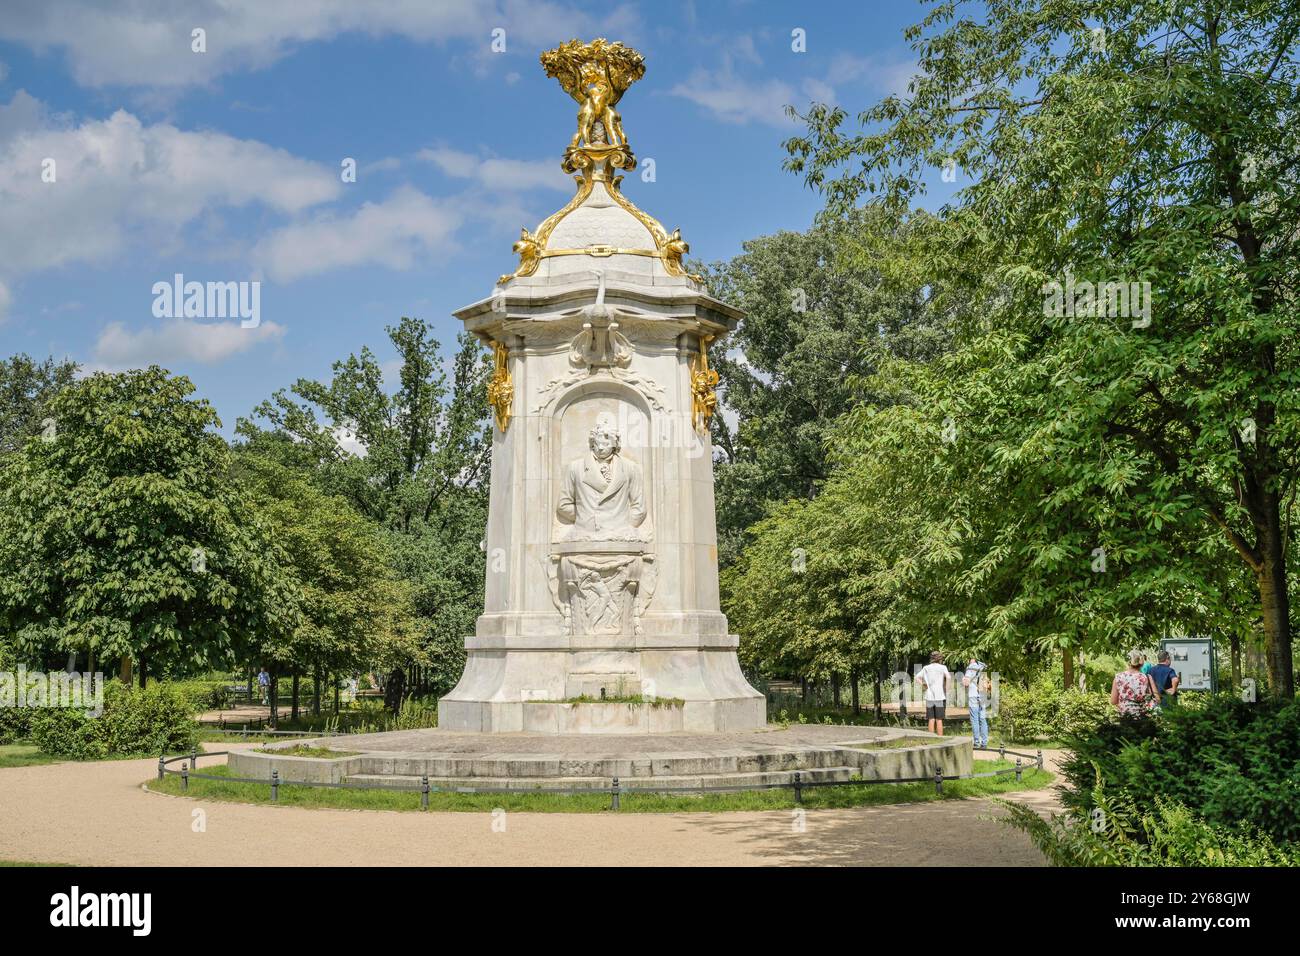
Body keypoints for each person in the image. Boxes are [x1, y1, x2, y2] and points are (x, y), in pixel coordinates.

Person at [1111, 650, 1157, 716]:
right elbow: (1156, 698)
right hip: (1142, 716)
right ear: (1142, 662)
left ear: (1128, 661)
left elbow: (1113, 701)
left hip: (1124, 716)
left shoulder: (1118, 677)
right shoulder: (1146, 677)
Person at [916, 651, 950, 736]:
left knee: (931, 719)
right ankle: (940, 739)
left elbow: (917, 677)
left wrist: (923, 684)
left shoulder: (926, 668)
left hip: (929, 696)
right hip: (940, 696)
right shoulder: (943, 667)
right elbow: (948, 677)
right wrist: (947, 689)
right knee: (939, 719)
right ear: (940, 659)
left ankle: (931, 738)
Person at [962, 656, 990, 749]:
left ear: (970, 659)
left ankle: (977, 742)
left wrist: (965, 682)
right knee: (983, 719)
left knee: (974, 719)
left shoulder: (970, 668)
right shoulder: (983, 667)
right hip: (982, 695)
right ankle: (984, 743)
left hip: (973, 695)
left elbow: (966, 683)